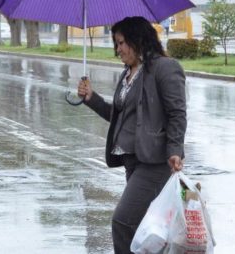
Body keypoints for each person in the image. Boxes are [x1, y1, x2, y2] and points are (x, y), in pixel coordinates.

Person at [76, 16, 186, 254]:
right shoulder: (128, 74)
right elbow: (119, 118)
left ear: (138, 40)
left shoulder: (164, 68)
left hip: (155, 162)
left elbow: (177, 113)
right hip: (131, 162)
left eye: (122, 42)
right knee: (144, 228)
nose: (118, 49)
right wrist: (91, 98)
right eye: (116, 44)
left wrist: (175, 150)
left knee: (123, 221)